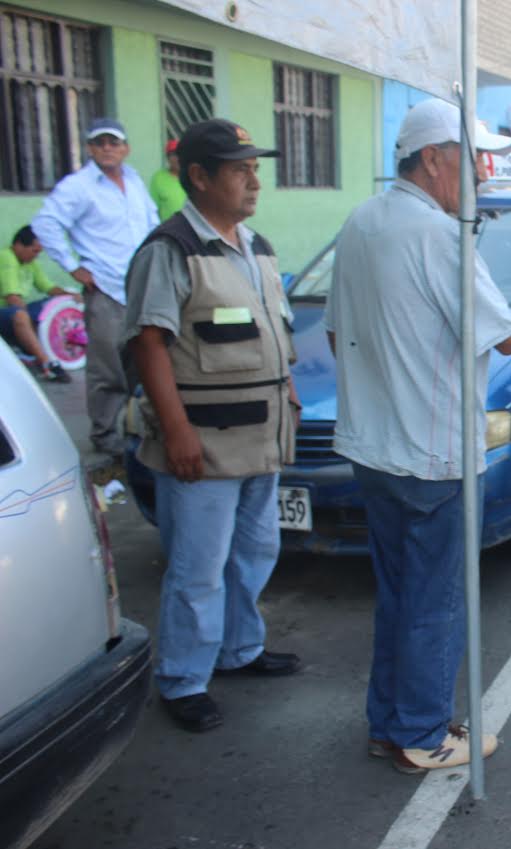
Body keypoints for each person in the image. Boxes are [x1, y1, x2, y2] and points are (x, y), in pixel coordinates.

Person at [324, 98, 511, 774]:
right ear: (431, 160)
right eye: (470, 158)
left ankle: (390, 722)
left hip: (374, 447)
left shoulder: (363, 221)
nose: (481, 171)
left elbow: (337, 333)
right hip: (432, 454)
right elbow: (507, 331)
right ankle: (421, 732)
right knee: (435, 600)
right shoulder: (440, 236)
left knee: (400, 593)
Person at [125, 119, 301, 733]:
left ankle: (239, 650)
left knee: (254, 553)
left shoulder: (258, 247)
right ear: (197, 177)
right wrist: (175, 432)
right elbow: (149, 346)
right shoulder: (169, 251)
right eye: (238, 169)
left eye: (255, 168)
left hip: (261, 439)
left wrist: (291, 394)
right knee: (197, 568)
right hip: (203, 443)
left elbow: (274, 336)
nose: (254, 181)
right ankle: (183, 679)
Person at [32, 117, 158, 464]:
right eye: (99, 143)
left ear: (125, 148)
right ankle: (105, 436)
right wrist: (74, 267)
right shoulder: (79, 186)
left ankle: (136, 427)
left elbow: (151, 225)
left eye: (113, 142)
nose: (107, 148)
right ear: (89, 148)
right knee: (108, 368)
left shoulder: (133, 181)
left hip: (140, 285)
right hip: (106, 287)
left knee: (143, 360)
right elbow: (46, 223)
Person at [0, 225, 80, 382]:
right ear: (19, 245)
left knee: (55, 304)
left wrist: (71, 296)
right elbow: (12, 298)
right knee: (21, 314)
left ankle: (30, 350)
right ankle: (47, 362)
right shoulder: (6, 257)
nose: (36, 256)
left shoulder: (29, 262)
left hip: (19, 310)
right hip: (5, 312)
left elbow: (47, 287)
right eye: (34, 251)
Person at [150, 138, 188, 220]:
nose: (177, 158)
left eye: (180, 154)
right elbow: (152, 210)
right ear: (167, 157)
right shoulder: (158, 178)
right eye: (173, 154)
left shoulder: (193, 177)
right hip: (168, 230)